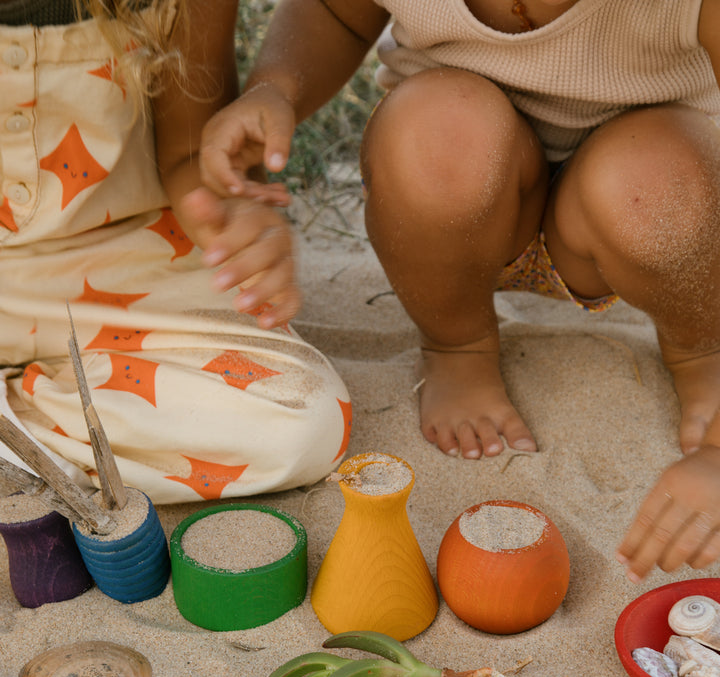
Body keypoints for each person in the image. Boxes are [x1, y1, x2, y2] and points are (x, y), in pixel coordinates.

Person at [197, 0, 720, 582]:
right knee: (435, 125)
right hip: (453, 221)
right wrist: (276, 88)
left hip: (652, 225)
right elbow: (337, 14)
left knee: (655, 181)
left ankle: (703, 345)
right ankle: (458, 344)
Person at [0, 0, 350, 503]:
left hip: (128, 264)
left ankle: (20, 442)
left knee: (305, 421)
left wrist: (229, 216)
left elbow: (190, 153)